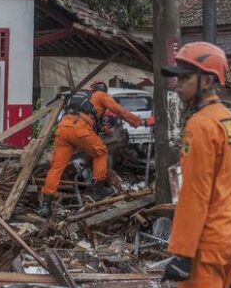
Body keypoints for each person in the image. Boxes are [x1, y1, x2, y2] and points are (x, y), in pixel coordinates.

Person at [161, 42, 231, 288]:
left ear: (208, 80)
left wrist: (182, 253)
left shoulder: (200, 125)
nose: (178, 85)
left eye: (186, 78)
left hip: (206, 245)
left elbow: (194, 194)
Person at [38, 81, 153, 217]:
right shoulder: (100, 95)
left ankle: (46, 205)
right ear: (103, 90)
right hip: (80, 129)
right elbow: (119, 111)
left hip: (63, 129)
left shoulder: (78, 96)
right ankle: (99, 190)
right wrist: (141, 122)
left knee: (56, 167)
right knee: (101, 152)